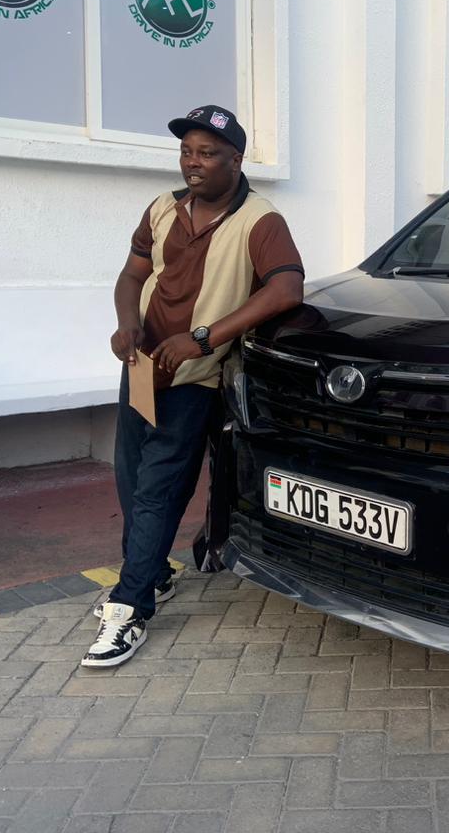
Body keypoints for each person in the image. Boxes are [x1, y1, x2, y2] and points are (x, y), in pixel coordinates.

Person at [82, 105, 304, 668]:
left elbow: (285, 292)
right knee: (132, 479)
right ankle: (151, 575)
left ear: (236, 158)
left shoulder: (260, 220)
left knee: (159, 488)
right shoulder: (161, 209)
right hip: (141, 368)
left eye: (207, 153)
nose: (193, 163)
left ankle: (129, 609)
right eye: (186, 151)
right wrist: (127, 322)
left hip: (195, 379)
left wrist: (203, 339)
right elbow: (133, 274)